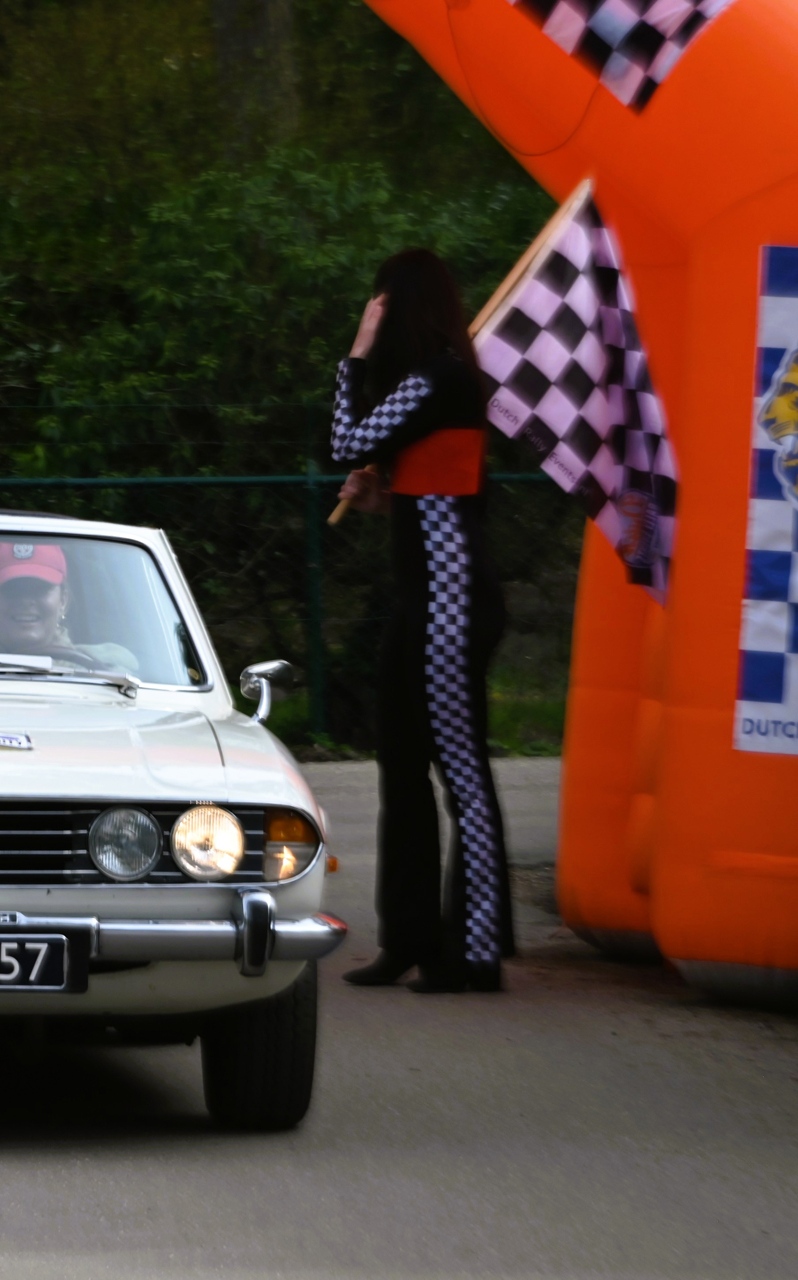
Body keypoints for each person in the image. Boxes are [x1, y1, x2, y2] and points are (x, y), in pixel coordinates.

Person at [331, 248, 514, 994]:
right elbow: (430, 491)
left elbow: (346, 440)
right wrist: (382, 493)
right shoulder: (431, 385)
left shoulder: (442, 377)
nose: (376, 314)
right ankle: (408, 939)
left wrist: (355, 355)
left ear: (401, 305)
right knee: (401, 770)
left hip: (452, 604)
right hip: (424, 600)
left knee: (460, 776)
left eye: (381, 302)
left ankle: (475, 950)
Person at [0, 542, 138, 675]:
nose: (25, 601)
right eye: (12, 589)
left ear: (63, 601)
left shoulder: (107, 672)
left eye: (40, 588)